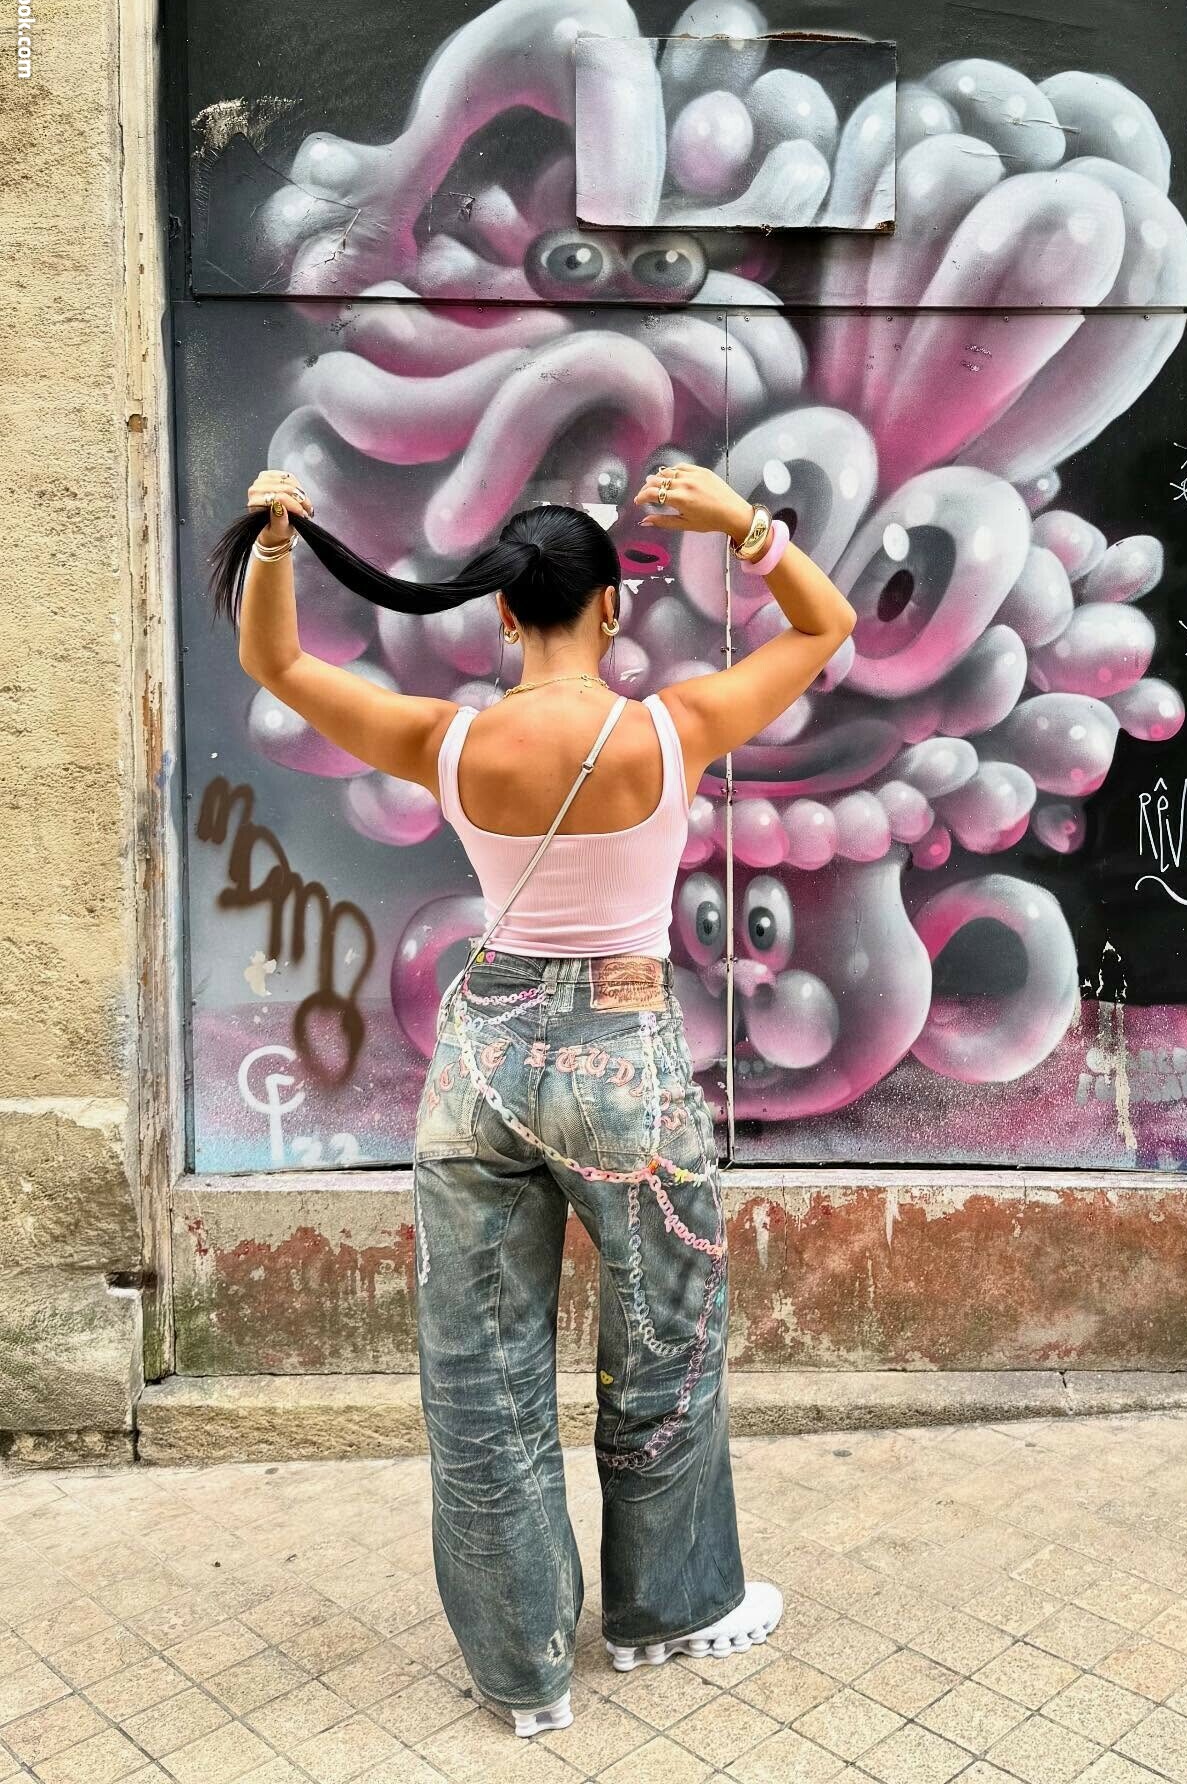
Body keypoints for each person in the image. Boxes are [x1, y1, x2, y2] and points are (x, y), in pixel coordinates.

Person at [209, 463, 857, 1735]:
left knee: (481, 1374)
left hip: (483, 1066)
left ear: (503, 613)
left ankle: (524, 1675)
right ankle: (669, 1610)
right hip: (626, 1062)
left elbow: (275, 664)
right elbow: (826, 627)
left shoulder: (445, 742)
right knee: (665, 1343)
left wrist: (278, 541)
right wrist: (745, 527)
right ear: (612, 609)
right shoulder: (674, 729)